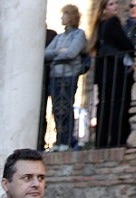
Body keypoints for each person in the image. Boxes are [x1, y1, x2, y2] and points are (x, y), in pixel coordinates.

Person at [45, 6, 89, 150]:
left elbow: (71, 53)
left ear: (71, 16)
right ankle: (58, 141)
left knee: (65, 107)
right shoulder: (59, 37)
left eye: (64, 14)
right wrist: (59, 52)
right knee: (56, 109)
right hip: (55, 75)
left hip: (69, 75)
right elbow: (45, 54)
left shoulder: (79, 34)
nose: (61, 18)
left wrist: (56, 57)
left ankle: (67, 141)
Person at [93, 0, 136, 147]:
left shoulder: (97, 27)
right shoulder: (113, 22)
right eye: (111, 4)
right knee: (118, 105)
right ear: (104, 9)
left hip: (103, 74)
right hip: (115, 72)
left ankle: (101, 141)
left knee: (104, 106)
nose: (116, 6)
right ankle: (117, 140)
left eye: (116, 3)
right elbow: (125, 43)